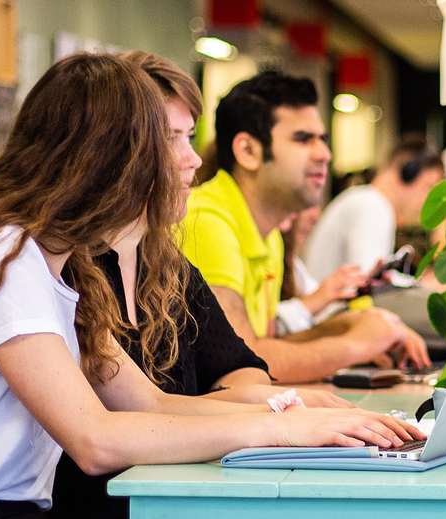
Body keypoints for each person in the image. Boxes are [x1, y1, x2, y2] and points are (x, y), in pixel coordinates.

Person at [0, 54, 424, 519]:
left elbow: (152, 402)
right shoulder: (2, 258)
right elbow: (96, 442)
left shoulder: (56, 265)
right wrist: (281, 431)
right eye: (163, 145)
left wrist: (303, 421)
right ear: (104, 159)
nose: (183, 163)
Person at [48, 51, 355, 519]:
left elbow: (239, 367)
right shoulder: (68, 268)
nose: (191, 161)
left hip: (180, 506)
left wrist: (280, 408)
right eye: (173, 139)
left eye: (191, 137)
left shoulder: (166, 261)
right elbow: (126, 422)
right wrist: (278, 418)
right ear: (118, 149)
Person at [178, 71, 430, 382]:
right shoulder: (206, 219)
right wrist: (356, 344)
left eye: (322, 140)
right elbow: (237, 363)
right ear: (248, 151)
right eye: (303, 139)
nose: (324, 154)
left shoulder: (267, 234)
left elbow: (267, 344)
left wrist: (353, 325)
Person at [303, 138, 444, 278]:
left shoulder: (364, 200)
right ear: (406, 174)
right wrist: (429, 286)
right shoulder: (372, 206)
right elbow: (369, 284)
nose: (429, 200)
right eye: (429, 187)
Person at [277, 204, 368, 334]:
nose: (315, 217)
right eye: (305, 204)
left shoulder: (297, 268)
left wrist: (360, 287)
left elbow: (323, 314)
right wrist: (316, 299)